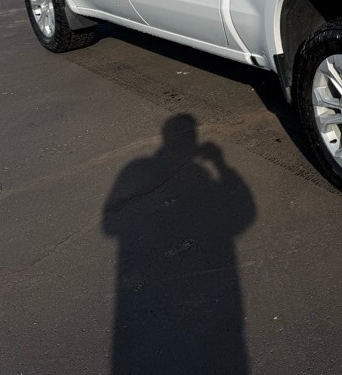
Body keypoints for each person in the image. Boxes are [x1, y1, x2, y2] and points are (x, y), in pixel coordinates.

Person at [102, 113, 256, 374]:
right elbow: (244, 215)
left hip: (154, 287)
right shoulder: (197, 172)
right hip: (210, 275)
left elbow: (109, 227)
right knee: (217, 346)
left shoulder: (137, 168)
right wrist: (220, 164)